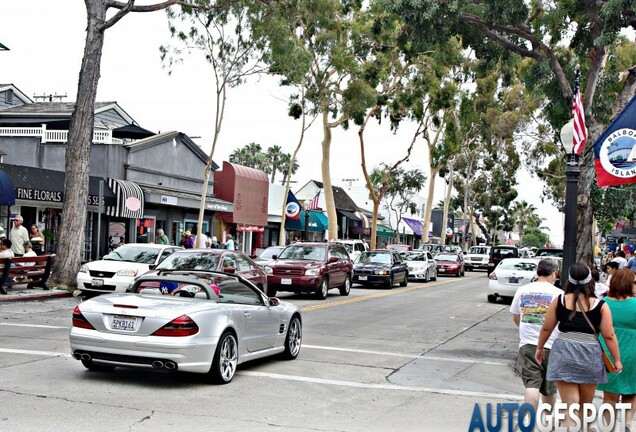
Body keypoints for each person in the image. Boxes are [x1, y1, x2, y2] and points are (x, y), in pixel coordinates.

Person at [536, 263, 622, 430]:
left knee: (570, 405)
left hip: (564, 351)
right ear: (590, 281)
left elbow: (547, 327)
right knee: (585, 404)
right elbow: (609, 335)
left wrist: (540, 348)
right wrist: (616, 360)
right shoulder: (601, 305)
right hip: (589, 354)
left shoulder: (559, 300)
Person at [510, 258, 563, 414]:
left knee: (532, 385)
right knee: (549, 388)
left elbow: (515, 317)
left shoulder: (523, 290)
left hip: (527, 344)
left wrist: (527, 329)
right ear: (554, 274)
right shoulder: (559, 294)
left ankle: (529, 421)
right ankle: (545, 420)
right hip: (552, 345)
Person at [597, 268, 636, 431]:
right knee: (631, 390)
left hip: (608, 351)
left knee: (610, 395)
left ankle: (608, 427)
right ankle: (627, 423)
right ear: (628, 284)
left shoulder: (603, 303)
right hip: (633, 349)